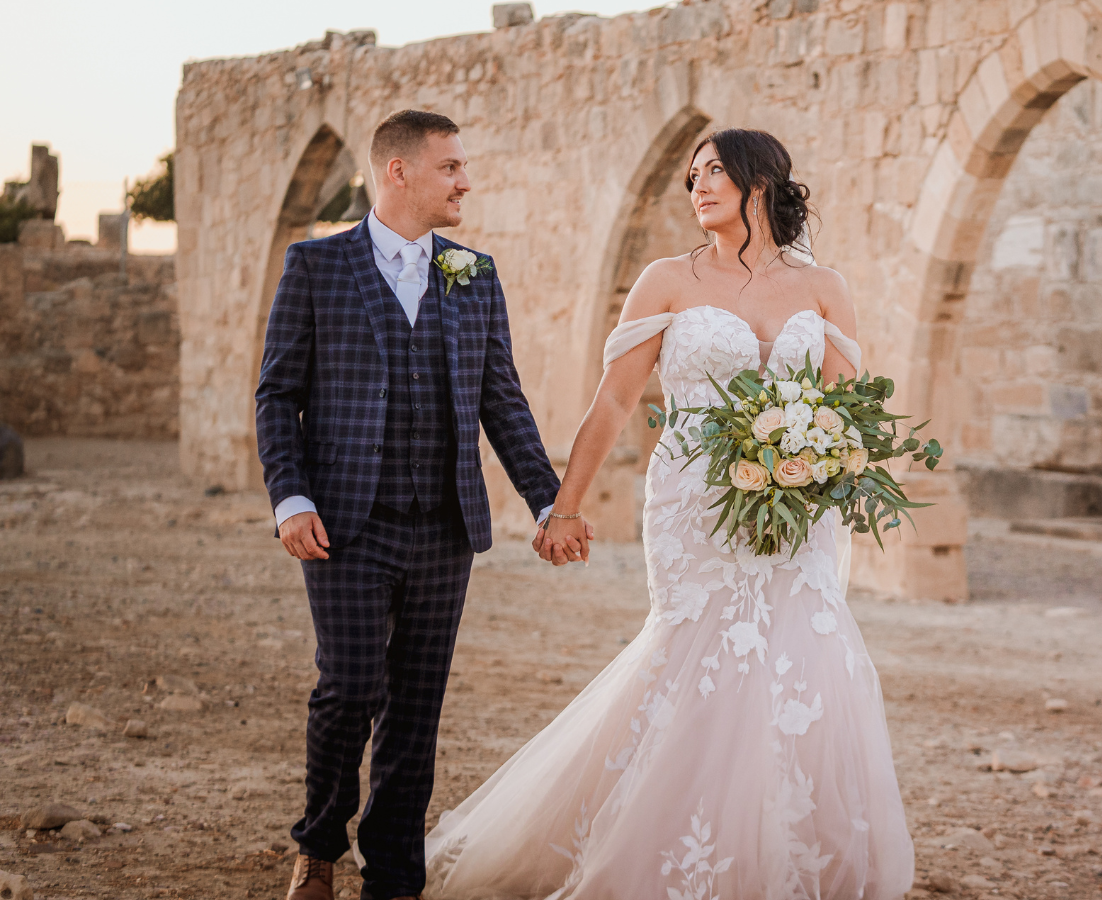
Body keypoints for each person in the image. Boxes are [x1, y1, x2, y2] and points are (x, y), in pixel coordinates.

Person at [420, 128, 914, 899]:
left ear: (760, 182)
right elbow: (615, 400)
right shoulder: (665, 280)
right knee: (697, 653)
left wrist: (820, 462)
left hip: (798, 506)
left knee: (805, 653)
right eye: (692, 178)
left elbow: (846, 410)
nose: (699, 188)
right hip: (695, 502)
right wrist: (564, 505)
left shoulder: (825, 288)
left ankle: (789, 858)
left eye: (715, 172)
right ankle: (666, 854)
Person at [256, 109, 576, 900]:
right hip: (341, 522)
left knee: (416, 707)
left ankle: (393, 872)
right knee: (351, 689)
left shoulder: (475, 272)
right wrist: (290, 497)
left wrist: (548, 502)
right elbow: (277, 395)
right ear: (397, 172)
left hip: (444, 526)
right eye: (450, 168)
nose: (465, 181)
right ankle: (319, 843)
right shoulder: (315, 267)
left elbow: (503, 402)